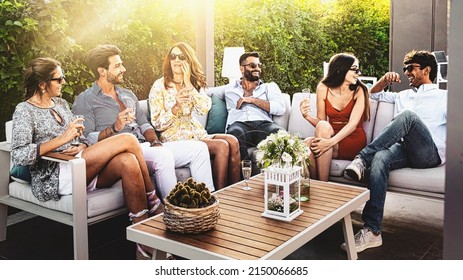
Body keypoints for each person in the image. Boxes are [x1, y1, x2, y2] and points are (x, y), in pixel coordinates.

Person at [11, 57, 161, 259]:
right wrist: (61, 140)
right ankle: (154, 200)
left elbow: (80, 137)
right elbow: (19, 153)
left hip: (81, 163)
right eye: (59, 79)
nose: (64, 82)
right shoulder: (24, 110)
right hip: (56, 174)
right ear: (42, 84)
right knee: (126, 139)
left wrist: (80, 143)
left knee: (128, 160)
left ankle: (143, 244)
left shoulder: (61, 103)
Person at [72, 44, 214, 200]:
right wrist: (115, 127)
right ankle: (173, 208)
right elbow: (87, 139)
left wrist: (154, 141)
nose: (123, 69)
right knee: (163, 155)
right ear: (102, 71)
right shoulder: (85, 100)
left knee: (199, 149)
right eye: (118, 65)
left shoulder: (127, 95)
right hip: (122, 154)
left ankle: (206, 202)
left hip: (145, 147)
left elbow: (144, 124)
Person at [343, 50, 447, 252]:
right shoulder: (402, 95)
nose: (406, 73)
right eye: (404, 69)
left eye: (411, 68)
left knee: (408, 116)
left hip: (429, 153)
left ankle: (362, 158)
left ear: (426, 70)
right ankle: (372, 231)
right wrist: (384, 80)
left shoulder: (445, 96)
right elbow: (372, 94)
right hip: (403, 149)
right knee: (381, 158)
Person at [149, 42, 240, 190]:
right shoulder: (160, 86)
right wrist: (175, 108)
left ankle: (235, 191)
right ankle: (219, 195)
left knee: (232, 141)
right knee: (222, 146)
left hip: (196, 133)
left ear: (188, 60)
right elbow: (157, 123)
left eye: (181, 56)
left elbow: (203, 109)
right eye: (173, 56)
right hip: (175, 138)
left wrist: (188, 83)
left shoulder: (193, 83)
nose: (176, 60)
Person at [206, 51, 287, 163]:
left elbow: (280, 108)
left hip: (263, 125)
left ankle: (277, 177)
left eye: (259, 65)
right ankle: (245, 176)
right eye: (253, 65)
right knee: (234, 135)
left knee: (280, 134)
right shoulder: (229, 89)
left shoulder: (269, 87)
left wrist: (252, 100)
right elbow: (204, 92)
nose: (257, 68)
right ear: (242, 69)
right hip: (239, 125)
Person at [300, 53, 370, 181]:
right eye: (355, 69)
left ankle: (321, 185)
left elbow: (353, 124)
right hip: (330, 135)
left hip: (352, 139)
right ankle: (318, 186)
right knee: (308, 142)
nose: (358, 73)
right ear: (340, 69)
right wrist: (306, 116)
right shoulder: (323, 88)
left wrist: (329, 142)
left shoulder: (360, 90)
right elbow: (321, 123)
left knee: (312, 143)